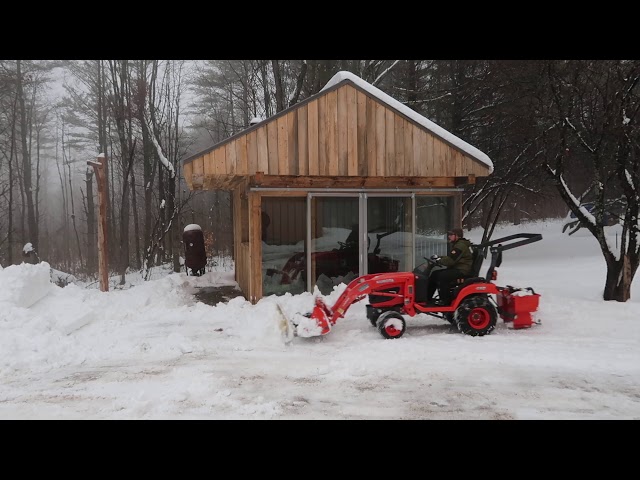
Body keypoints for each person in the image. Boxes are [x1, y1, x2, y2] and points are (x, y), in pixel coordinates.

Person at [425, 227, 473, 305]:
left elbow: (450, 261)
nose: (449, 236)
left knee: (442, 276)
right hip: (459, 268)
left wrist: (438, 260)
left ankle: (445, 300)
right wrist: (439, 257)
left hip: (462, 270)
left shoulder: (460, 246)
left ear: (457, 236)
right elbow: (451, 258)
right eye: (449, 234)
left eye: (451, 234)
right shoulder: (459, 244)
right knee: (435, 274)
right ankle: (427, 298)